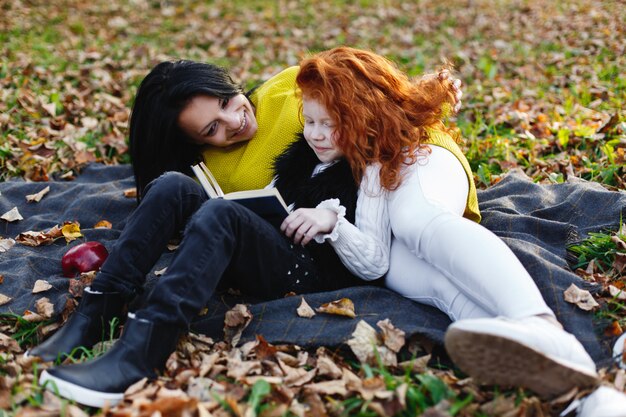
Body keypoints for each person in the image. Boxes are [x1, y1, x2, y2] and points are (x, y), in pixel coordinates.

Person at [33, 50, 461, 408]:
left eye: (226, 102)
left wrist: (343, 218)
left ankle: (142, 350)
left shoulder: (333, 131)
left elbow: (373, 257)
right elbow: (261, 196)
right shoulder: (258, 154)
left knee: (220, 215)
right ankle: (98, 308)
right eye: (212, 129)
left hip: (315, 266)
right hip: (274, 239)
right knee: (172, 188)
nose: (233, 122)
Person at [294, 47, 603, 400]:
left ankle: (535, 320)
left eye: (327, 124)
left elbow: (367, 89)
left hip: (413, 161)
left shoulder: (322, 98)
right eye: (309, 122)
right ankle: (575, 384)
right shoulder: (282, 138)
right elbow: (374, 258)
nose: (314, 134)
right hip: (371, 199)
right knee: (408, 275)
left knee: (415, 221)